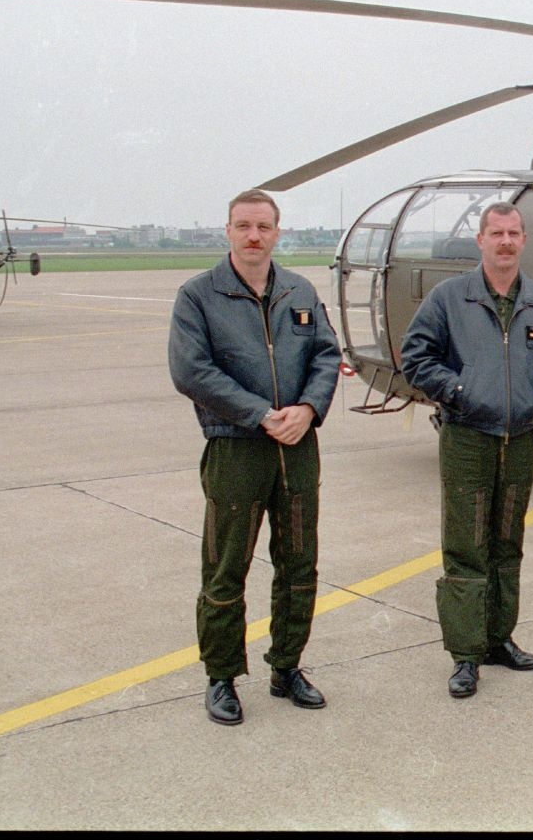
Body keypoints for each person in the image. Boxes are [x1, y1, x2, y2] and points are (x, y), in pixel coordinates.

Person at [168, 188, 342, 725]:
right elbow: (191, 371)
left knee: (299, 563)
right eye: (243, 226)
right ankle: (221, 677)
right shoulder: (198, 296)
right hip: (236, 447)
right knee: (226, 567)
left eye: (263, 227)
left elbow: (327, 355)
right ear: (227, 231)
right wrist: (261, 414)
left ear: (277, 232)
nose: (253, 236)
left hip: (298, 448)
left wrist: (309, 409)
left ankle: (286, 665)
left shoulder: (300, 290)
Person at [399, 201, 533, 699]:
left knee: (508, 542)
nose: (505, 242)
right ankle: (465, 653)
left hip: (522, 439)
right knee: (466, 545)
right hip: (466, 437)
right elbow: (416, 357)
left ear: (524, 241)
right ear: (480, 240)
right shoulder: (449, 298)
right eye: (496, 233)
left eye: (514, 234)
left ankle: (499, 638)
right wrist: (459, 393)